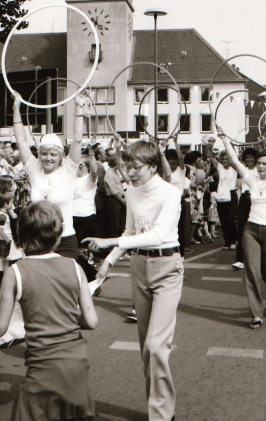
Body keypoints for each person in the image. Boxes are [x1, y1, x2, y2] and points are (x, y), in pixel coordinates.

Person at [0, 201, 98, 421]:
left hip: (43, 367)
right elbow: (91, 321)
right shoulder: (75, 268)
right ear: (57, 236)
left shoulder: (16, 272)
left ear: (21, 236)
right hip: (76, 365)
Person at [86, 140, 183, 421]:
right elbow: (130, 231)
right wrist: (110, 260)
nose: (130, 172)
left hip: (167, 266)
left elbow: (158, 234)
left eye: (136, 167)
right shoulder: (133, 191)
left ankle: (161, 416)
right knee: (146, 349)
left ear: (153, 166)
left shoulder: (170, 193)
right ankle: (161, 408)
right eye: (127, 166)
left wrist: (109, 242)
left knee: (156, 345)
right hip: (139, 267)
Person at [218, 126, 266, 329]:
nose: (261, 167)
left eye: (265, 163)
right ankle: (256, 314)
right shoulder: (252, 179)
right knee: (252, 272)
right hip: (251, 230)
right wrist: (225, 140)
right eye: (258, 163)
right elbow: (235, 161)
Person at [12, 92, 86, 260]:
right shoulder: (33, 169)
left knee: (65, 282)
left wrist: (78, 108)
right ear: (39, 155)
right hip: (38, 238)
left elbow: (77, 140)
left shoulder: (68, 170)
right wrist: (16, 107)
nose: (48, 158)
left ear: (60, 156)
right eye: (44, 153)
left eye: (53, 154)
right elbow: (21, 140)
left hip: (65, 238)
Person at [232, 147, 258, 269]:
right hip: (244, 199)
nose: (249, 159)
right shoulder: (243, 170)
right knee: (241, 229)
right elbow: (233, 161)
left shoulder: (259, 169)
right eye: (247, 157)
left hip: (256, 200)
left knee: (257, 228)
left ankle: (257, 257)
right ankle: (239, 259)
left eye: (251, 157)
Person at [0, 191, 22, 285]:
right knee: (1, 260)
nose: (12, 204)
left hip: (5, 240)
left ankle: (4, 278)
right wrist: (7, 240)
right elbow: (0, 230)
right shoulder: (2, 216)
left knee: (5, 260)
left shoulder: (4, 214)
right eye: (11, 202)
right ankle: (0, 280)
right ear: (6, 204)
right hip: (3, 241)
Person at [73, 146, 98, 246]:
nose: (78, 168)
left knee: (84, 246)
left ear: (87, 167)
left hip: (87, 216)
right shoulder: (72, 179)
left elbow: (94, 171)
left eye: (80, 166)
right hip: (72, 216)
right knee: (74, 246)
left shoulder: (90, 179)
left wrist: (91, 152)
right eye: (77, 166)